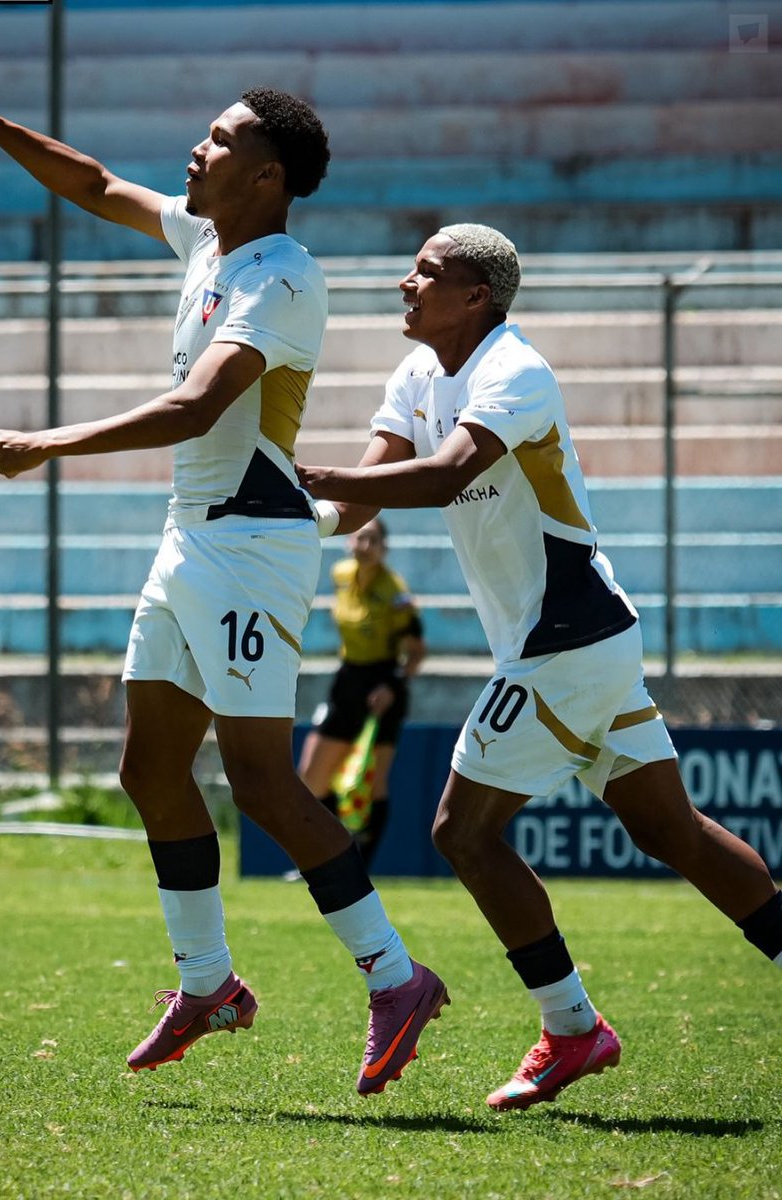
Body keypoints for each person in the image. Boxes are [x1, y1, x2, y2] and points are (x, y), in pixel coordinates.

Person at [0, 79, 447, 1096]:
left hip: (251, 548)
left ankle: (397, 976)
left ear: (269, 177)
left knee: (261, 780)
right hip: (190, 542)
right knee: (150, 771)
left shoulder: (284, 277)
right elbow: (96, 185)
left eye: (219, 141)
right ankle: (207, 984)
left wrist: (50, 442)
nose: (195, 151)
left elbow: (197, 403)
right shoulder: (211, 244)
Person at [297, 223, 782, 1111]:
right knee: (670, 832)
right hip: (581, 641)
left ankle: (571, 1028)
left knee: (461, 832)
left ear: (477, 296)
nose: (407, 284)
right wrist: (295, 517)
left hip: (568, 640)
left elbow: (445, 476)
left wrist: (305, 478)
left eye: (428, 273)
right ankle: (574, 1028)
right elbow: (369, 484)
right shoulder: (416, 375)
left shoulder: (515, 371)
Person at [298, 517, 426, 869]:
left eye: (372, 540)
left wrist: (393, 685)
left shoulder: (394, 592)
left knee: (372, 783)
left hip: (383, 685)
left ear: (384, 548)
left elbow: (415, 652)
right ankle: (336, 854)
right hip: (347, 680)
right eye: (359, 538)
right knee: (312, 776)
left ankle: (359, 865)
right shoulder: (340, 575)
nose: (364, 546)